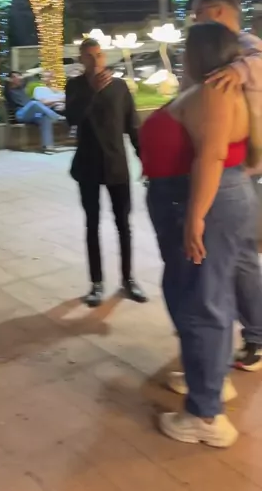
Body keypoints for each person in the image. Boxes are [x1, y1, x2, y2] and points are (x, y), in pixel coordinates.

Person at [141, 22, 262, 447]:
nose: (181, 56)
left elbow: (211, 154)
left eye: (185, 49)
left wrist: (195, 217)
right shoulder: (215, 88)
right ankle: (209, 380)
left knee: (202, 301)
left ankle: (206, 415)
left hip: (198, 200)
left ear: (198, 52)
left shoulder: (215, 91)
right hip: (200, 197)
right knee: (200, 295)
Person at [190, 0, 262, 372]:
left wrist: (238, 68)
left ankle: (254, 337)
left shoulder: (245, 49)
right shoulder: (220, 52)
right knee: (231, 260)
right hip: (230, 171)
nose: (194, 20)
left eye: (198, 13)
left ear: (217, 11)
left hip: (239, 172)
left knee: (238, 259)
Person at [65, 38, 148, 307]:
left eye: (99, 55)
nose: (96, 60)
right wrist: (91, 91)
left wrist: (144, 158)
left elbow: (132, 126)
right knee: (92, 225)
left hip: (116, 166)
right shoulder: (75, 86)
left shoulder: (120, 87)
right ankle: (96, 283)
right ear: (81, 59)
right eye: (89, 56)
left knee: (123, 224)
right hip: (87, 165)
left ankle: (128, 279)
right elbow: (72, 118)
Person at [4, 71, 64, 153]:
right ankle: (56, 117)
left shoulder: (22, 88)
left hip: (31, 115)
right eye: (15, 77)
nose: (18, 78)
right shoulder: (8, 91)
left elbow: (28, 78)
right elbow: (5, 81)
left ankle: (47, 146)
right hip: (21, 114)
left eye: (18, 76)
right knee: (34, 103)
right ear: (10, 80)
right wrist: (9, 79)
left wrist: (22, 76)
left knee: (44, 117)